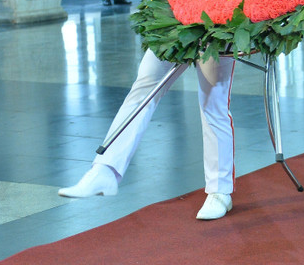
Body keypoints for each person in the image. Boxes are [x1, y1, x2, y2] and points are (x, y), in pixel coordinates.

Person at [59, 50, 237, 220]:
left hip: (218, 27)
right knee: (145, 84)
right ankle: (105, 170)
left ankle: (219, 190)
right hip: (175, 22)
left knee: (213, 103)